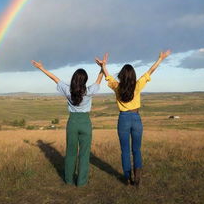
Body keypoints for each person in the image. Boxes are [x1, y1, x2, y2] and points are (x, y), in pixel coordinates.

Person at [95, 51, 171, 187]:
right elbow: (150, 71)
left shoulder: (117, 87)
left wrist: (103, 66)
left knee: (125, 150)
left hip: (123, 118)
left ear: (122, 76)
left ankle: (126, 177)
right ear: (133, 76)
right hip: (136, 118)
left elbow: (108, 77)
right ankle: (137, 176)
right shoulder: (138, 85)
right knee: (136, 149)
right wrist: (160, 59)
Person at [31, 58, 106, 186]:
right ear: (85, 80)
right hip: (85, 123)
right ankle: (82, 182)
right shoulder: (89, 91)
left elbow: (54, 78)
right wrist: (102, 67)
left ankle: (69, 180)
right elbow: (99, 79)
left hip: (72, 122)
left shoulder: (67, 90)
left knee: (71, 153)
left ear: (74, 79)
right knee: (84, 153)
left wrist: (41, 68)